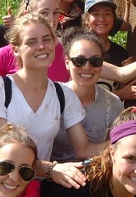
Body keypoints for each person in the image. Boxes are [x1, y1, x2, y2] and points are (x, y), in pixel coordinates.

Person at [0, 14, 99, 186]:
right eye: (31, 42)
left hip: (33, 188)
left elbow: (83, 148)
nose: (41, 46)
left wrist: (121, 146)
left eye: (46, 39)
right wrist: (51, 169)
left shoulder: (63, 95)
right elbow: (1, 151)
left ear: (55, 42)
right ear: (15, 49)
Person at [0, 0, 136, 87]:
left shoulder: (69, 51)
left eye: (56, 12)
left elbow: (120, 74)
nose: (51, 19)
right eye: (44, 12)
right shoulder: (4, 55)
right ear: (27, 13)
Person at [50, 30, 125, 163]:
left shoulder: (114, 104)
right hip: (52, 174)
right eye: (79, 61)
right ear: (67, 63)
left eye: (95, 61)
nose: (87, 67)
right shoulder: (50, 96)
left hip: (95, 174)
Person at [82, 0, 136, 102]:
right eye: (96, 14)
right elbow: (79, 94)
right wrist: (120, 94)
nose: (102, 19)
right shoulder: (79, 50)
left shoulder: (120, 53)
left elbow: (117, 86)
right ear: (86, 19)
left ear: (114, 19)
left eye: (107, 14)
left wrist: (127, 76)